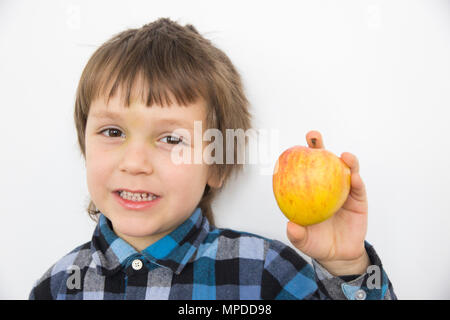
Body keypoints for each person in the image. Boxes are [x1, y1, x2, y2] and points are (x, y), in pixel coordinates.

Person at [29, 17, 396, 300]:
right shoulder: (57, 286)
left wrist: (348, 267)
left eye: (171, 138)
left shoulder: (266, 272)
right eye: (112, 132)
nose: (135, 162)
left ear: (217, 164)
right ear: (85, 146)